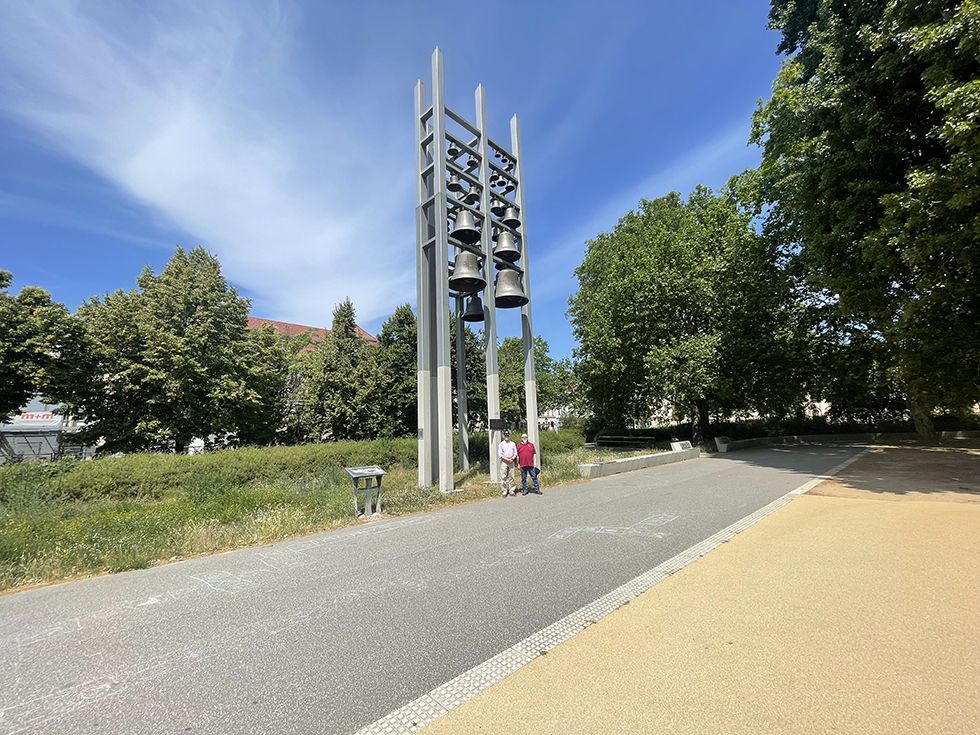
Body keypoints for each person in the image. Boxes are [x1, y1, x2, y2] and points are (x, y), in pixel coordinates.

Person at [498, 429, 518, 496]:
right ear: (503, 436)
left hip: (511, 461)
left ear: (509, 436)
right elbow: (500, 454)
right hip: (504, 461)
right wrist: (506, 459)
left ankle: (511, 490)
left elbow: (515, 453)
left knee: (511, 476)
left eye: (507, 435)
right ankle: (504, 490)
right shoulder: (501, 444)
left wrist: (512, 458)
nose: (506, 436)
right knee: (503, 476)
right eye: (505, 435)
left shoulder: (513, 444)